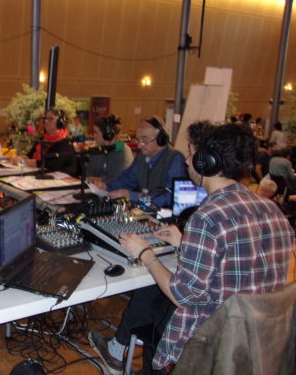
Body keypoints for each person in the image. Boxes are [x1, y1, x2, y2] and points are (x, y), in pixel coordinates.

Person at [89, 123, 294, 374]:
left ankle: (132, 357)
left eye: (191, 153)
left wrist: (145, 253)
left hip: (213, 339)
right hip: (261, 336)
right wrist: (184, 242)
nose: (187, 160)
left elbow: (181, 295)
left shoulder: (207, 217)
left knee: (152, 291)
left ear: (207, 162)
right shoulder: (272, 209)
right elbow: (239, 259)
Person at [90, 117, 187, 208]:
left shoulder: (175, 159)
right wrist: (106, 186)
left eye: (144, 140)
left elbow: (170, 197)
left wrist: (131, 195)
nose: (139, 146)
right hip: (146, 211)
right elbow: (126, 179)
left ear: (161, 139)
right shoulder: (142, 156)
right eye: (138, 140)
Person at [23, 108, 77, 176]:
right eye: (45, 118)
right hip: (42, 176)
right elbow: (30, 155)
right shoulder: (43, 139)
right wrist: (19, 158)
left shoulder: (66, 143)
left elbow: (50, 164)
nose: (46, 121)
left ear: (60, 122)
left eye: (51, 118)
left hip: (61, 179)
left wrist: (25, 162)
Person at [85, 115, 133, 181]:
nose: (93, 136)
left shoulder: (124, 151)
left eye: (96, 133)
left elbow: (117, 179)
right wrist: (93, 179)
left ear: (107, 135)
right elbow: (89, 173)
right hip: (95, 186)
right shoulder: (98, 149)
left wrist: (98, 180)